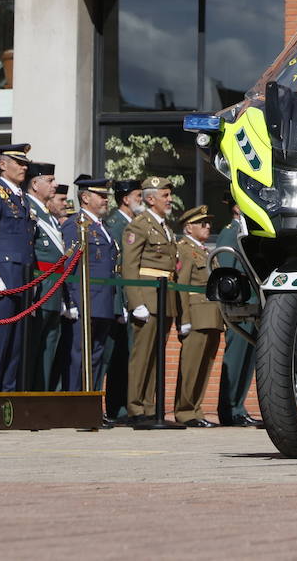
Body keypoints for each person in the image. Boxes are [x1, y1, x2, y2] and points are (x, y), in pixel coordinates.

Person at [121, 176, 184, 428]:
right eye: (165, 195)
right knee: (143, 355)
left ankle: (150, 408)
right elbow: (130, 266)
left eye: (169, 195)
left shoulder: (165, 227)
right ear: (150, 198)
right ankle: (136, 408)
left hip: (165, 297)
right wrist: (136, 301)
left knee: (157, 357)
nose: (169, 200)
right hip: (147, 297)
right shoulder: (140, 225)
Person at [0, 143, 37, 391]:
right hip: (5, 274)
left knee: (16, 341)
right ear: (3, 165)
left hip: (22, 274)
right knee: (0, 341)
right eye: (19, 162)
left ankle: (9, 392)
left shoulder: (21, 197)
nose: (24, 167)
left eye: (25, 163)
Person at [61, 175, 118, 398]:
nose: (106, 200)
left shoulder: (104, 227)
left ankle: (91, 402)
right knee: (78, 355)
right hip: (83, 299)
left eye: (106, 196)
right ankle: (73, 404)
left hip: (103, 300)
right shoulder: (75, 225)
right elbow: (68, 267)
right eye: (101, 195)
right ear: (85, 197)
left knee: (96, 356)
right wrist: (70, 301)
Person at [173, 204, 225, 427]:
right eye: (202, 223)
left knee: (204, 367)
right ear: (188, 228)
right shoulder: (184, 249)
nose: (207, 226)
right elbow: (182, 285)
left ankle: (196, 409)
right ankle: (185, 411)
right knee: (191, 366)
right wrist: (183, 319)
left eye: (208, 223)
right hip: (195, 315)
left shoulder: (206, 251)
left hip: (212, 315)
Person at [215, 199, 261, 427]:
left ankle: (238, 407)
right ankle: (228, 408)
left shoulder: (249, 232)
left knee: (248, 359)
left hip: (254, 303)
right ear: (235, 206)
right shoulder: (230, 232)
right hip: (239, 305)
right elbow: (225, 270)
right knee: (234, 359)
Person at [25, 162, 67, 390]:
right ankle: (32, 395)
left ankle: (43, 395)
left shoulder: (48, 214)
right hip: (39, 287)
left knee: (49, 346)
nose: (55, 184)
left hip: (54, 289)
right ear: (35, 183)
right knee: (34, 347)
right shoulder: (28, 208)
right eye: (50, 180)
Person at [104, 178, 140, 421]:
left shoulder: (134, 224)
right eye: (138, 196)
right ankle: (116, 408)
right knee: (116, 359)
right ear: (125, 199)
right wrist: (121, 304)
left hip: (130, 300)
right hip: (120, 299)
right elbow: (116, 267)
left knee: (127, 356)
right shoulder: (115, 224)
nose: (141, 200)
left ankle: (124, 407)